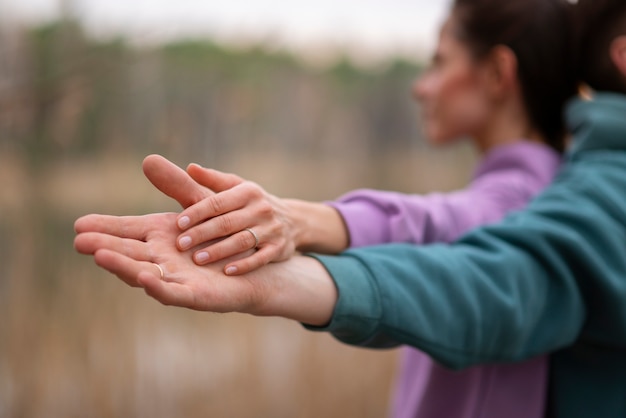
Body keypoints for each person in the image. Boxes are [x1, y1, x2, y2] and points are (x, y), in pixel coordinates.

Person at [74, 0, 626, 417]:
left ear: (498, 75)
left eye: (439, 62)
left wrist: (307, 223)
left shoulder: (531, 196)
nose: (421, 87)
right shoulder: (562, 187)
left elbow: (448, 228)